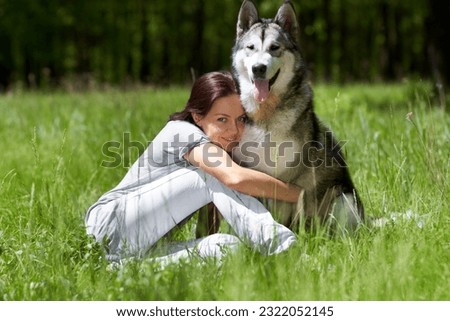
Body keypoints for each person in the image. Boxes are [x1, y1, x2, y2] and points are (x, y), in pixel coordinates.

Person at [85, 71, 301, 264]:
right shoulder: (181, 131)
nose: (234, 130)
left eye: (241, 119)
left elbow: (207, 226)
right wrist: (302, 195)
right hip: (109, 224)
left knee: (226, 247)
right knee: (216, 174)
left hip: (130, 252)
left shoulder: (215, 152)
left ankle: (119, 268)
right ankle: (285, 251)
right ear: (198, 117)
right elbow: (234, 178)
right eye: (222, 119)